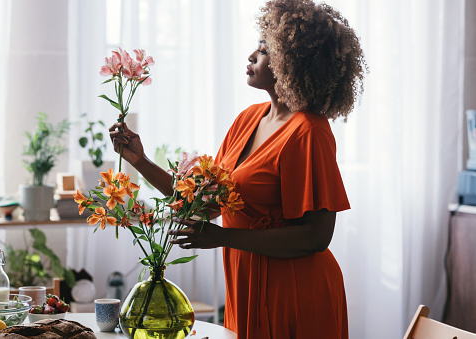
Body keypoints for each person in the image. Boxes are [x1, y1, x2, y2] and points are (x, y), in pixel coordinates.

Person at [109, 0, 366, 338]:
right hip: (246, 284)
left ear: (293, 62)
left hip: (295, 292)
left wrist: (223, 238)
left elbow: (317, 236)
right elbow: (201, 202)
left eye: (263, 50)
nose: (250, 56)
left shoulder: (309, 132)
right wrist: (139, 160)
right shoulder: (247, 120)